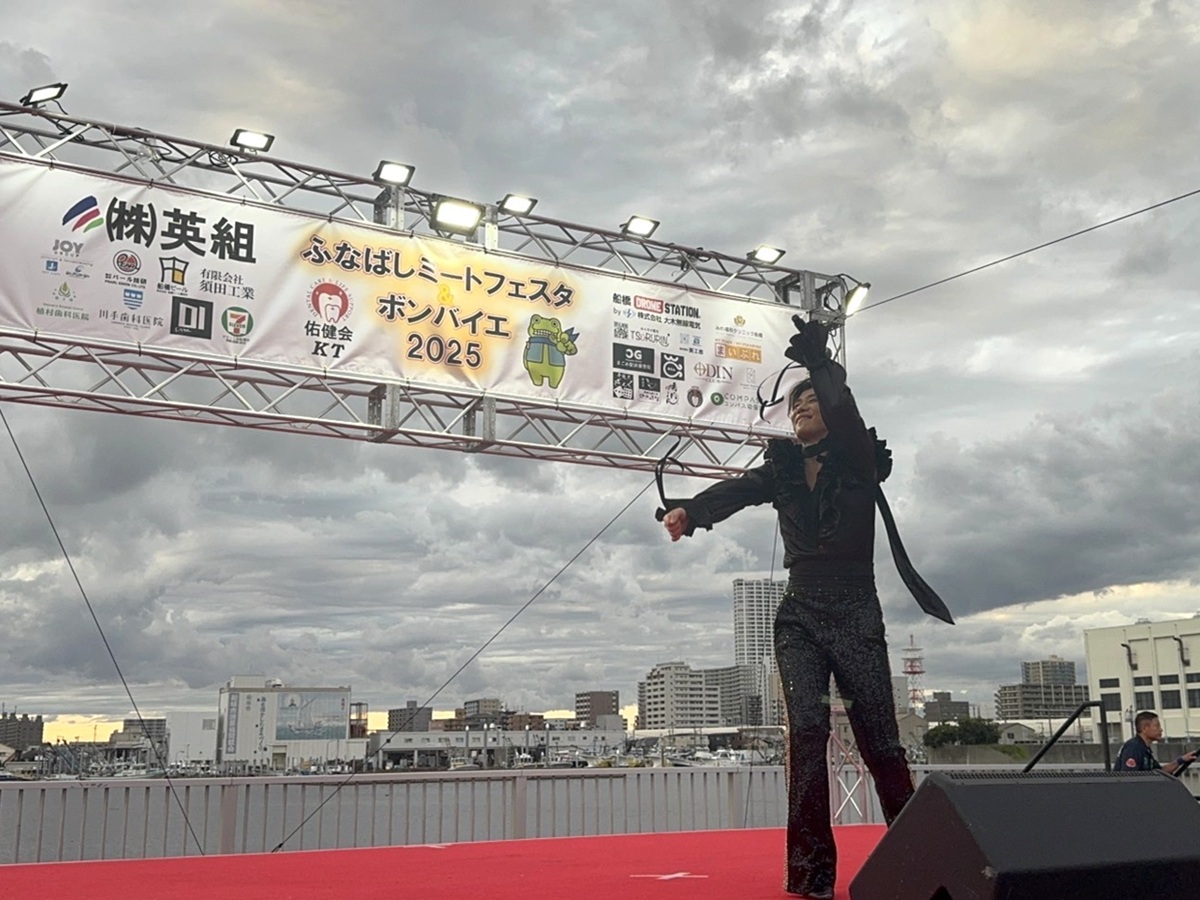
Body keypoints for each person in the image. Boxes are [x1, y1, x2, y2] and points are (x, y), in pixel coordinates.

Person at [660, 317, 948, 899]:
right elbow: (736, 490)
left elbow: (844, 409)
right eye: (794, 404)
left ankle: (927, 867)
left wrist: (820, 365)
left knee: (881, 741)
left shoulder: (859, 458)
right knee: (807, 734)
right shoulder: (783, 469)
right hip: (799, 613)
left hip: (856, 607)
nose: (801, 408)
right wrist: (690, 512)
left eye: (811, 400)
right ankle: (811, 874)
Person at [1114, 711, 1197, 773]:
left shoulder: (1145, 749)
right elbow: (1129, 778)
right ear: (1145, 728)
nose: (1161, 729)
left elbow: (1161, 771)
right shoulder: (1133, 748)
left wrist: (1182, 760)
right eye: (1157, 726)